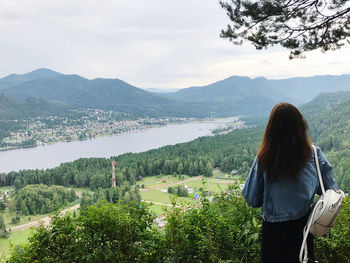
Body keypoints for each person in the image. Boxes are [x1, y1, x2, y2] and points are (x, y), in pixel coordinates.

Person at [242, 102, 338, 263]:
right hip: (303, 231)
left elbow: (252, 199)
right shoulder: (314, 154)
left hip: (273, 235)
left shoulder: (264, 158)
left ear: (271, 129)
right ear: (300, 126)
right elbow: (332, 192)